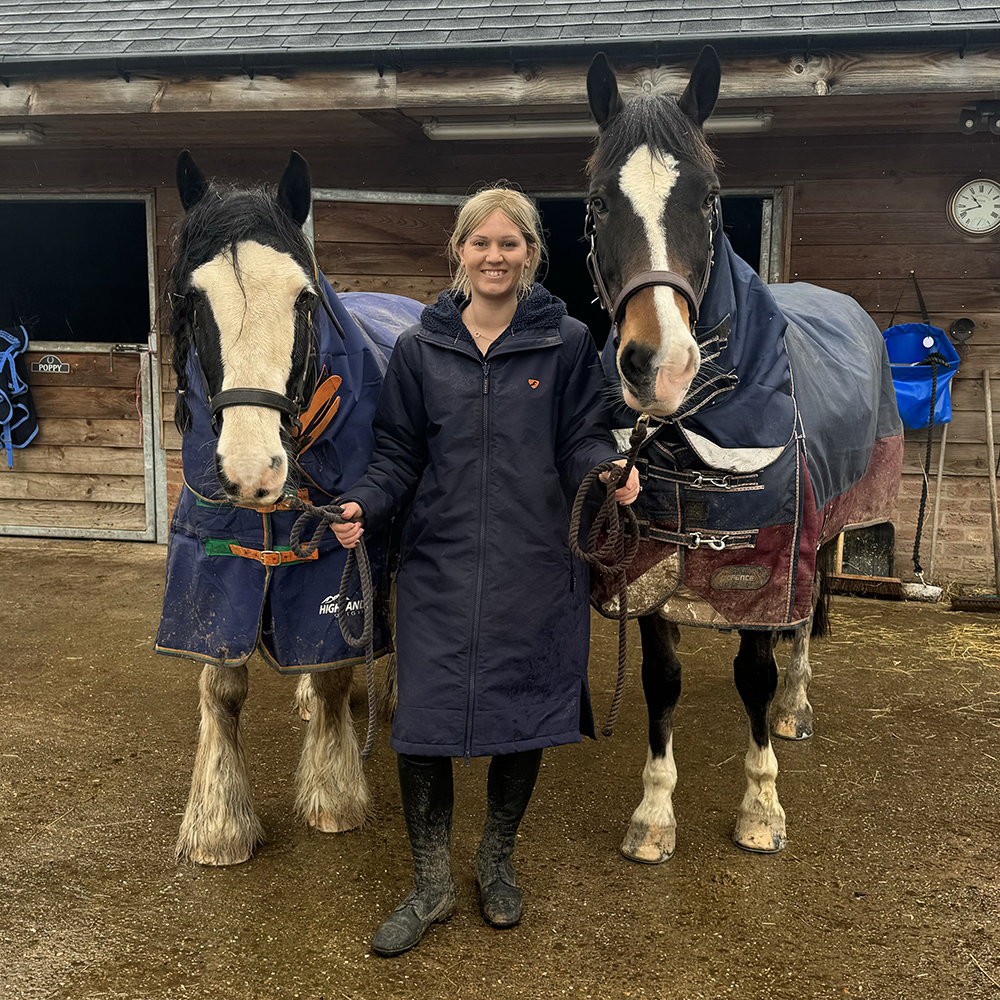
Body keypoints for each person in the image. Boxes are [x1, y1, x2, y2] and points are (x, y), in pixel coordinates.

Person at [333, 186, 639, 958]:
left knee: (521, 716)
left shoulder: (567, 342)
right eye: (481, 244)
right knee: (423, 729)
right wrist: (363, 506)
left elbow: (581, 437)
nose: (495, 257)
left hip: (537, 566)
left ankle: (496, 862)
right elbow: (398, 453)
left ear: (531, 255)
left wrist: (605, 470)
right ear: (459, 253)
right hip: (438, 564)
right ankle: (430, 884)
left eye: (511, 244)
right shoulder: (418, 349)